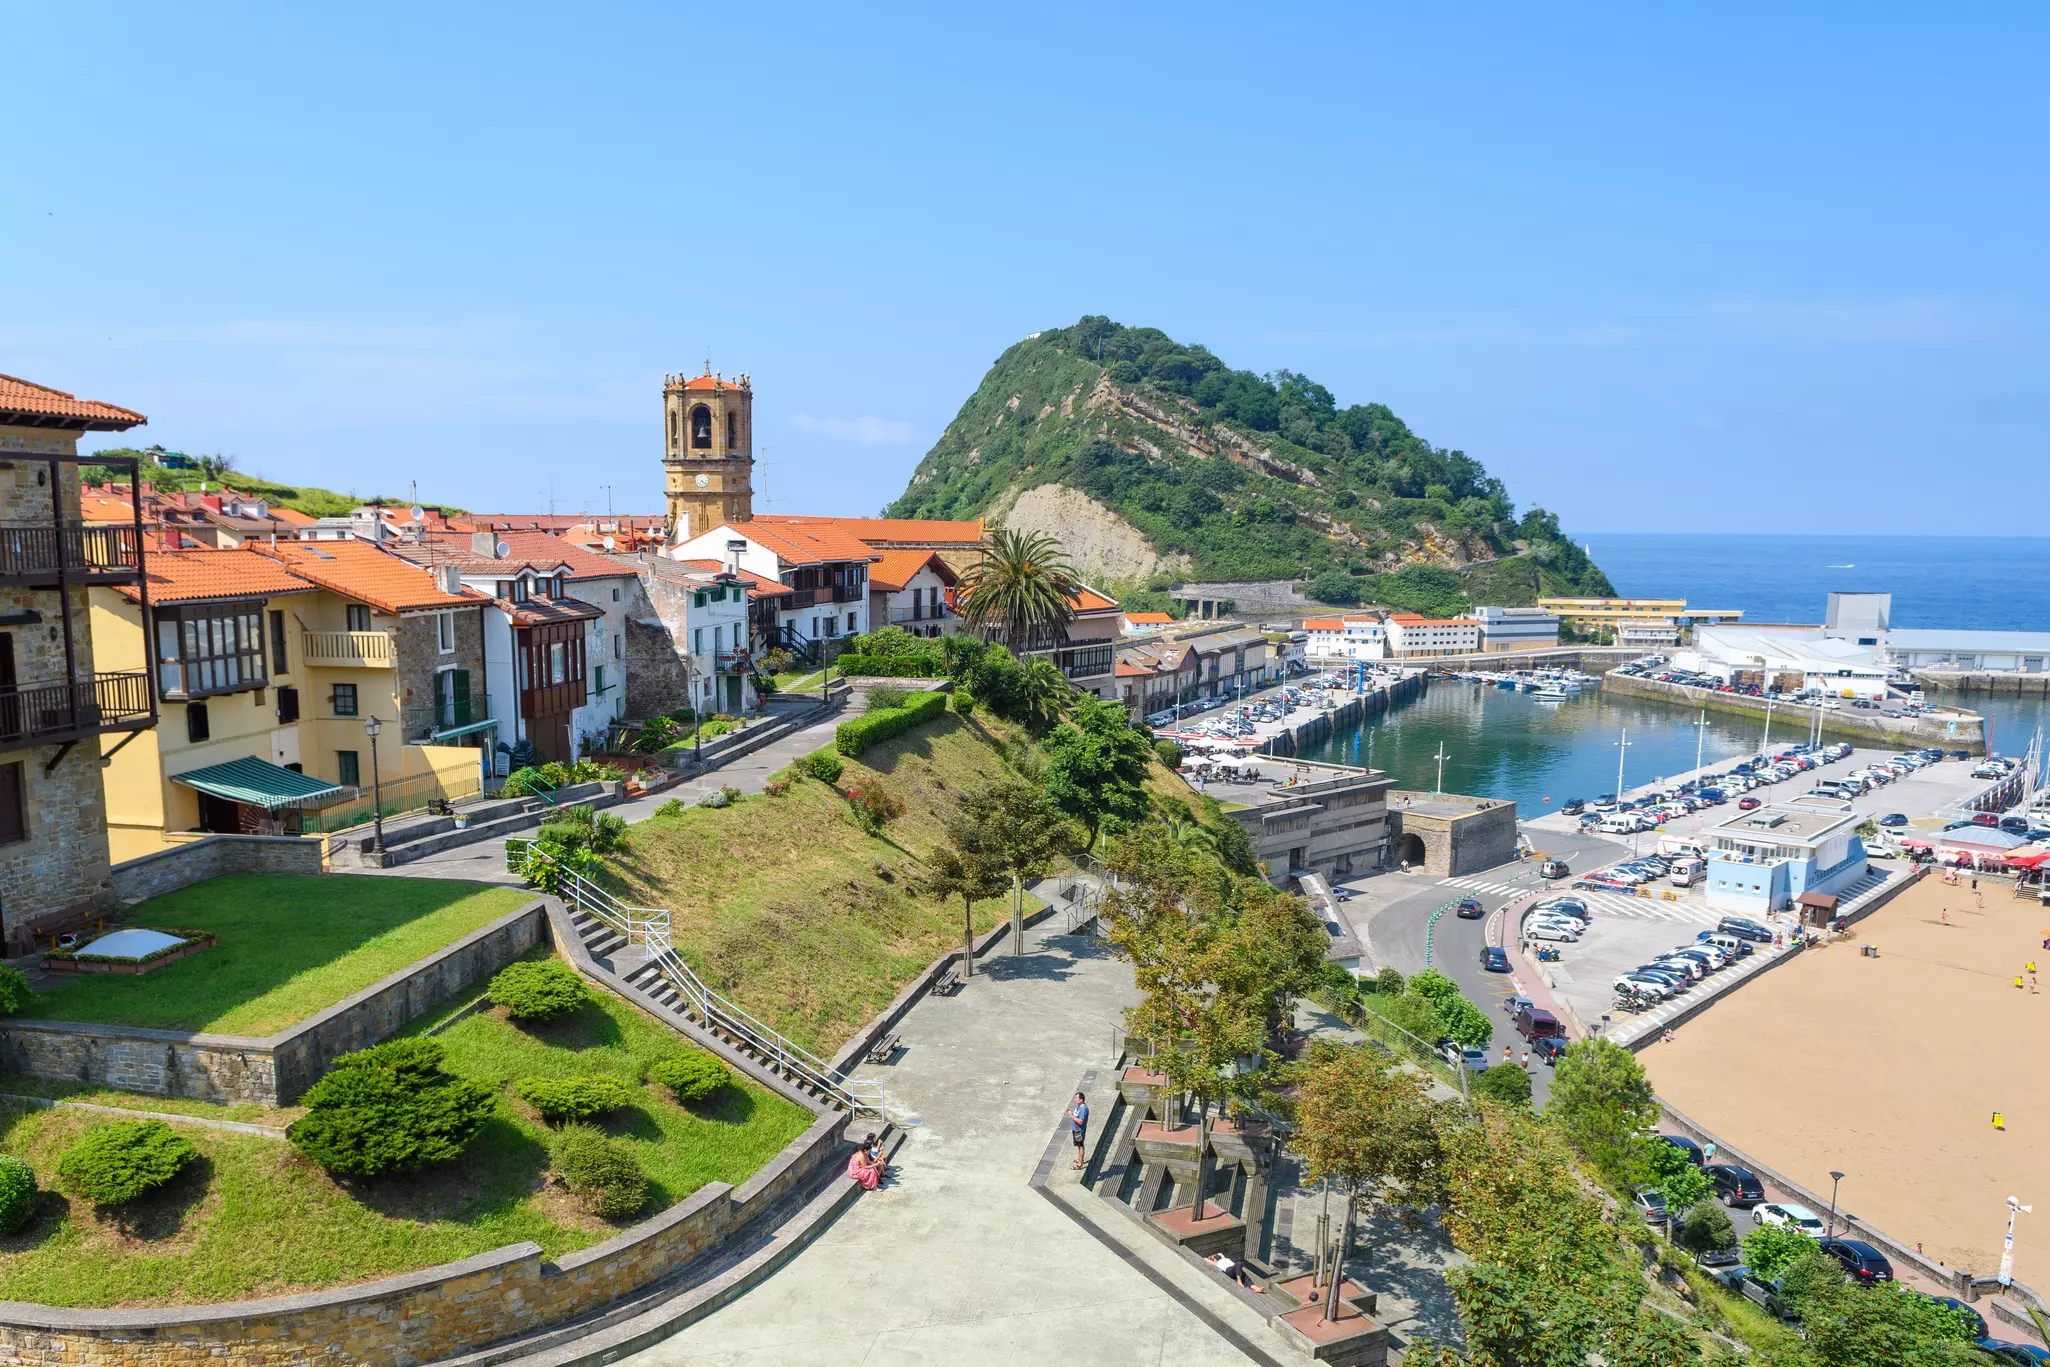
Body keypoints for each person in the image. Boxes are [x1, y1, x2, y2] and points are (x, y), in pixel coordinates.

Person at [1068, 1092, 1089, 1170]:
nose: (1075, 1100)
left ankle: (1080, 1164)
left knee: (1080, 1146)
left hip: (1079, 1131)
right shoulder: (1078, 1106)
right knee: (1078, 1145)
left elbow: (1080, 1121)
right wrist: (1072, 1113)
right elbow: (1076, 1114)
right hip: (1076, 1129)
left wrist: (1071, 1115)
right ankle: (1079, 1159)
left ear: (1081, 1099)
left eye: (1076, 1098)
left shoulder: (1084, 1109)